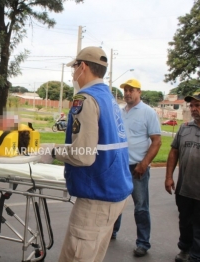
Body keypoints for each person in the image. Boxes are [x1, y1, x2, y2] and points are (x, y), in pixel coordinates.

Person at [38, 46, 133, 262]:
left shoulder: (85, 99)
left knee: (77, 257)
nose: (73, 74)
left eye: (74, 68)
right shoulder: (109, 98)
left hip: (97, 197)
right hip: (114, 192)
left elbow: (84, 155)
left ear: (82, 67)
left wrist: (53, 150)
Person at [111, 79, 162, 256]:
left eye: (131, 90)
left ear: (139, 92)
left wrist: (144, 164)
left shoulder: (148, 112)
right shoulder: (119, 111)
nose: (127, 93)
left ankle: (143, 243)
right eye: (125, 90)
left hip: (137, 168)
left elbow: (157, 141)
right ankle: (112, 232)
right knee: (115, 202)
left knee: (140, 207)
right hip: (118, 167)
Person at [165, 92, 200, 262]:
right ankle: (184, 249)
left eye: (197, 106)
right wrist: (169, 177)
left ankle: (195, 256)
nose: (194, 109)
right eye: (192, 106)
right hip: (184, 189)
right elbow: (174, 152)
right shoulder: (185, 128)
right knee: (184, 222)